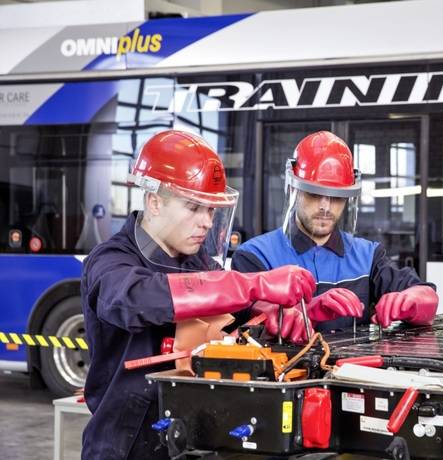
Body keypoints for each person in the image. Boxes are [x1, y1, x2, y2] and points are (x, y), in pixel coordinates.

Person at [80, 130, 316, 459]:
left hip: (192, 438)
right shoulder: (110, 260)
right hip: (126, 443)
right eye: (194, 208)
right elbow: (137, 298)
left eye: (211, 211)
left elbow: (228, 312)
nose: (206, 222)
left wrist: (280, 312)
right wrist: (251, 283)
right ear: (154, 201)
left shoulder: (197, 261)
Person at [231, 131, 438, 343]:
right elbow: (254, 320)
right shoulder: (254, 256)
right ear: (294, 188)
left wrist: (411, 301)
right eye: (313, 194)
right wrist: (306, 312)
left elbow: (426, 295)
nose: (325, 206)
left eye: (336, 197)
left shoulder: (368, 255)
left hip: (353, 373)